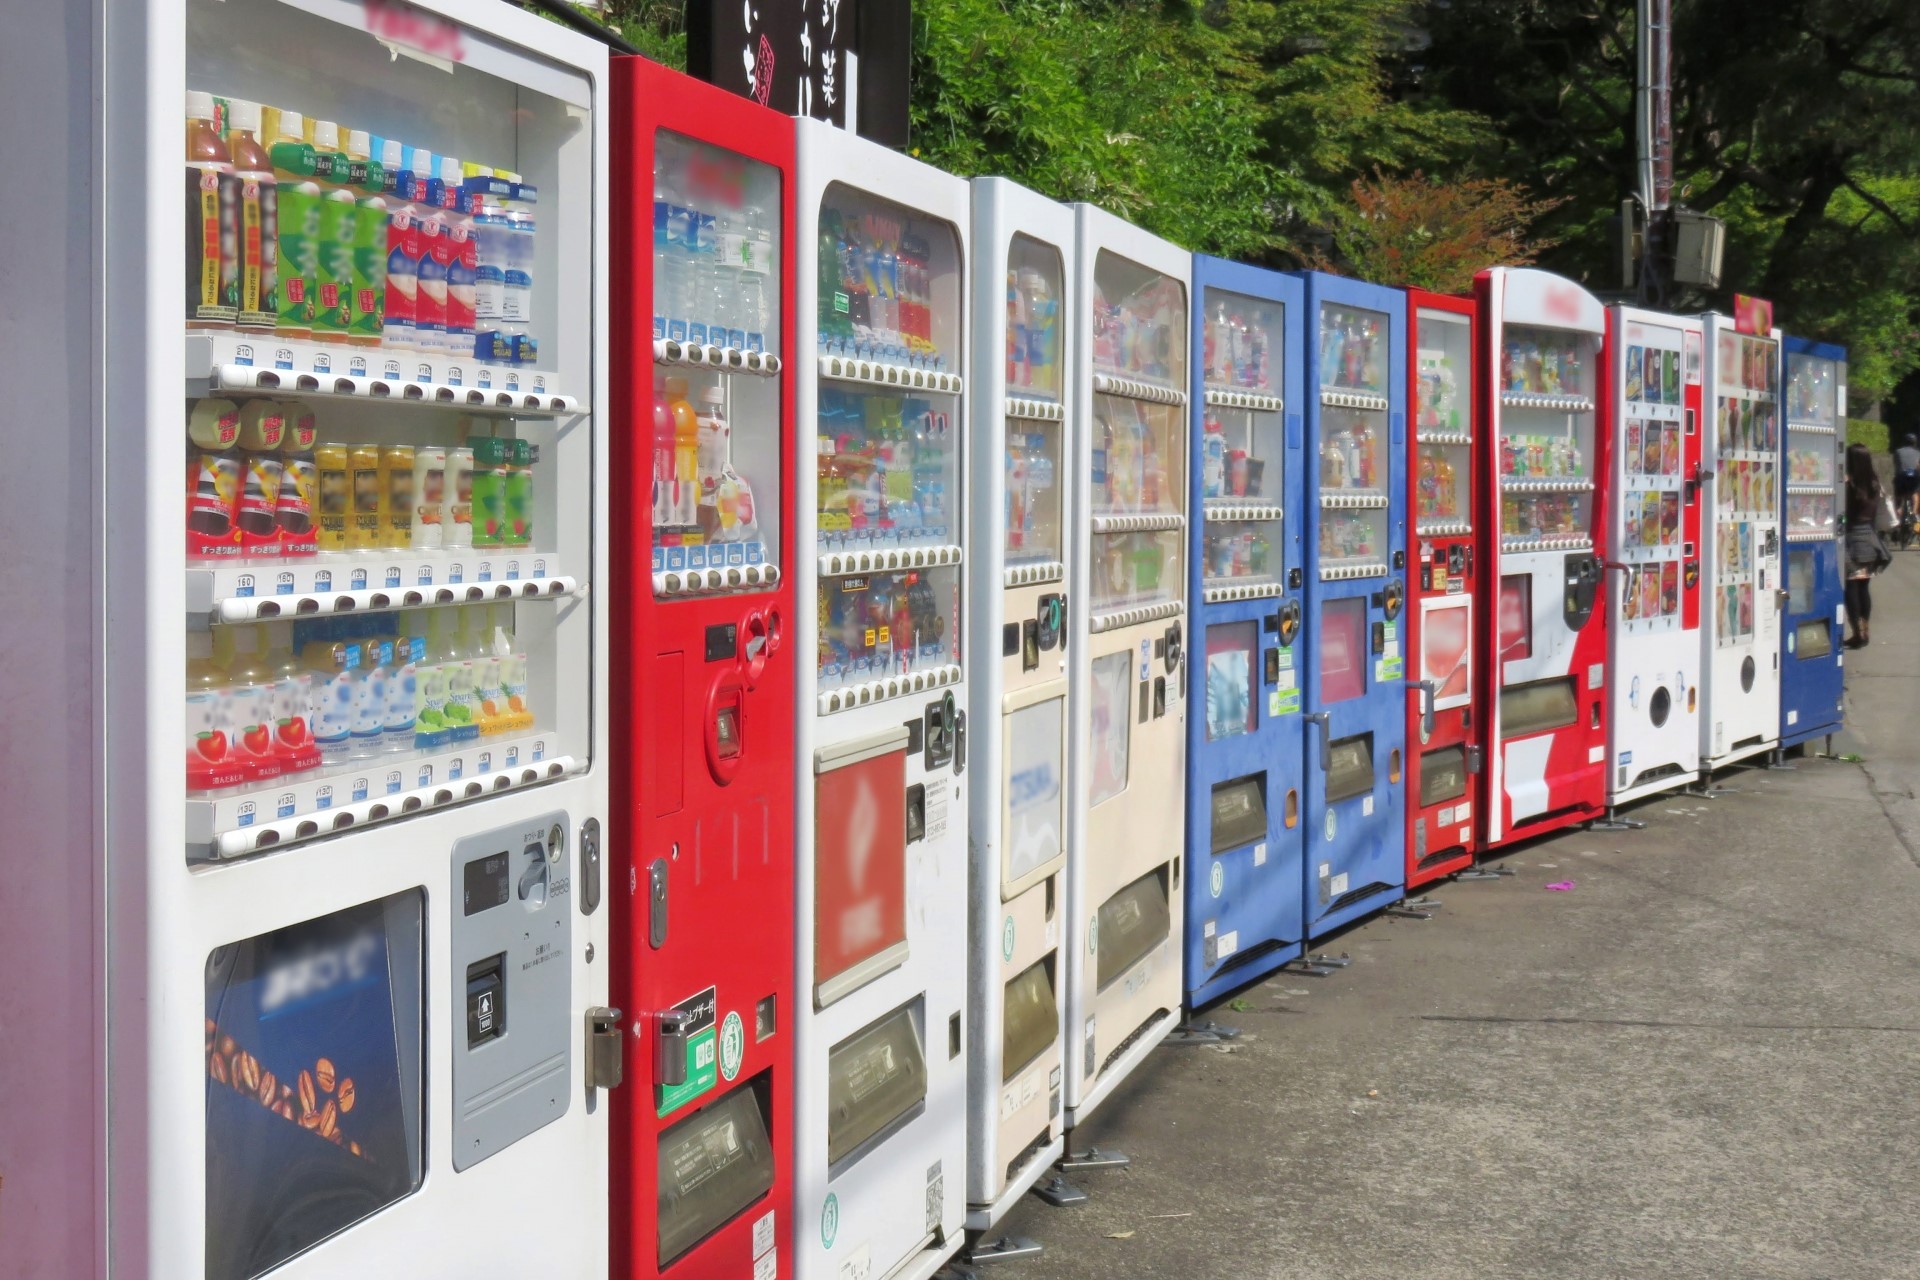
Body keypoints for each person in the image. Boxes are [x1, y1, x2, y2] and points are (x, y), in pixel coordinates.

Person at [1844, 442, 1891, 647]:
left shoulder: (1849, 485)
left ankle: (1858, 633)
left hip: (1854, 540)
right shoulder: (1875, 485)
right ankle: (1865, 630)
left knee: (1851, 588)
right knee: (1863, 588)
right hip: (1871, 541)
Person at [1895, 433, 1920, 522]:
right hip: (1914, 478)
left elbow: (1897, 465)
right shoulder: (1918, 453)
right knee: (1914, 493)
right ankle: (1913, 513)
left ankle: (1897, 512)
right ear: (1914, 443)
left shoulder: (1898, 451)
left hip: (1901, 477)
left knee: (1899, 495)